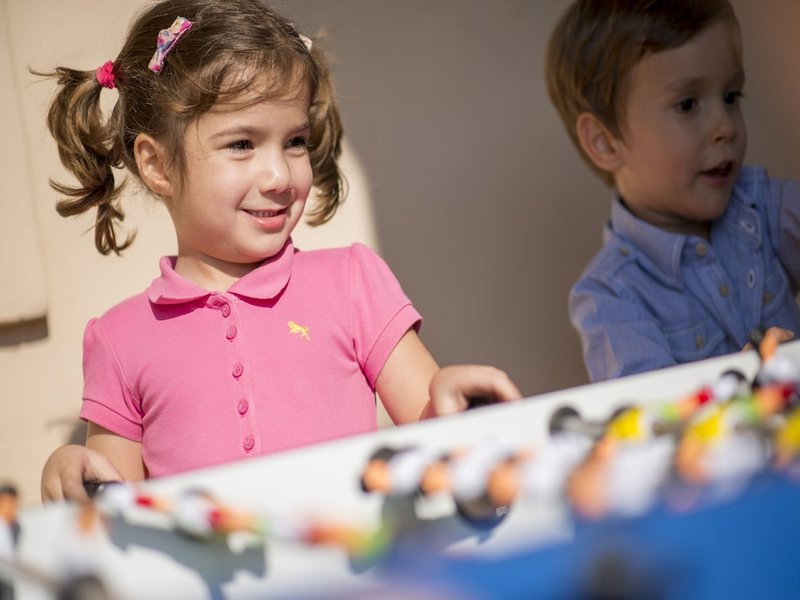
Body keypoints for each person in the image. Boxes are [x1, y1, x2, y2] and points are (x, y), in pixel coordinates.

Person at [39, 0, 521, 503]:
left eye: (294, 142)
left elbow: (431, 420)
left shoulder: (351, 282)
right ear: (157, 165)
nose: (279, 176)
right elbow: (119, 513)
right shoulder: (121, 340)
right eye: (242, 144)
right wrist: (74, 469)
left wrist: (450, 404)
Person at [545, 0, 800, 382]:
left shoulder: (763, 205)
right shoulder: (611, 296)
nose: (724, 126)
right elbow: (648, 415)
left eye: (731, 96)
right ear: (605, 142)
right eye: (687, 104)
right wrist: (744, 382)